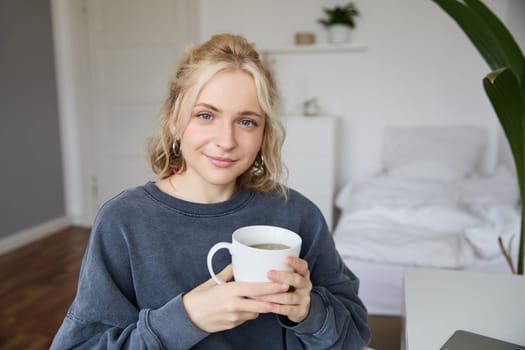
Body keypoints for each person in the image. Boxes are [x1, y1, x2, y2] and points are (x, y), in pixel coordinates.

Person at [51, 33, 370, 350]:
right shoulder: (124, 221)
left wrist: (309, 312)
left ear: (264, 133)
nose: (226, 140)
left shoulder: (297, 215)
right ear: (174, 120)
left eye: (246, 122)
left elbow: (355, 335)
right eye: (205, 115)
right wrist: (187, 318)